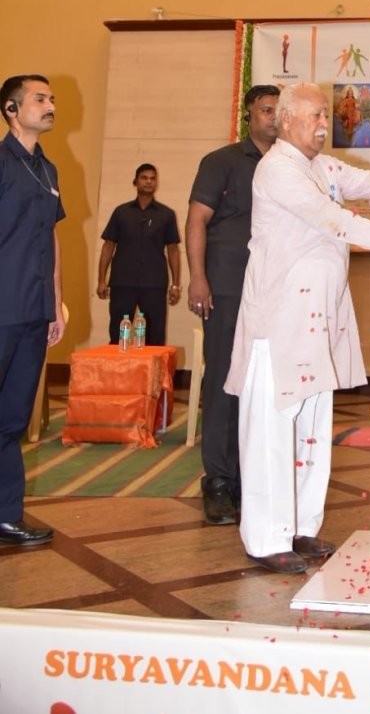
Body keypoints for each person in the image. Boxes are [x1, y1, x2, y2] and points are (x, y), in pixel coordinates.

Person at [224, 82, 370, 574]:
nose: (325, 125)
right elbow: (331, 219)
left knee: (311, 430)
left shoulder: (321, 167)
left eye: (326, 116)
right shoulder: (276, 169)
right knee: (271, 432)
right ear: (286, 121)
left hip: (318, 320)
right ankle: (265, 537)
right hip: (278, 321)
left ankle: (301, 527)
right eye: (316, 116)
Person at [185, 84, 280, 525]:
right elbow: (197, 220)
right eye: (265, 110)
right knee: (224, 381)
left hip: (275, 294)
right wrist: (198, 279)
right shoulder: (221, 162)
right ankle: (218, 483)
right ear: (248, 115)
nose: (274, 118)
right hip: (225, 288)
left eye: (280, 111)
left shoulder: (290, 167)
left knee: (263, 386)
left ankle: (250, 478)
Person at [0, 75, 66, 548]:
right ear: (10, 108)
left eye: (51, 99)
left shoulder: (49, 170)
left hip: (34, 309)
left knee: (11, 420)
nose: (50, 105)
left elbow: (51, 239)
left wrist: (57, 304)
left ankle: (6, 515)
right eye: (40, 99)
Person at [96, 164, 181, 346]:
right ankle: (117, 373)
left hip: (154, 285)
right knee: (118, 334)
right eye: (144, 177)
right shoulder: (121, 213)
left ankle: (152, 374)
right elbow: (108, 245)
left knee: (155, 338)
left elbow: (173, 249)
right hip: (122, 283)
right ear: (135, 181)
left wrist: (175, 285)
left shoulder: (166, 215)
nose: (148, 181)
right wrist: (101, 279)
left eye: (152, 178)